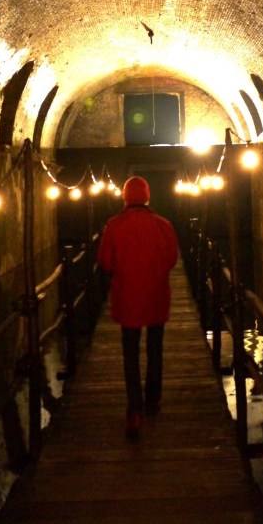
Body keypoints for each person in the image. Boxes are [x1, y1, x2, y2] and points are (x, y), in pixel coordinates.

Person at [97, 175, 179, 439]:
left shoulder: (114, 225)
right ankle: (153, 400)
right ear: (147, 196)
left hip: (127, 297)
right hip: (156, 295)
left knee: (130, 354)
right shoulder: (163, 225)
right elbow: (171, 259)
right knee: (155, 349)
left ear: (125, 197)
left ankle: (135, 409)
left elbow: (105, 261)